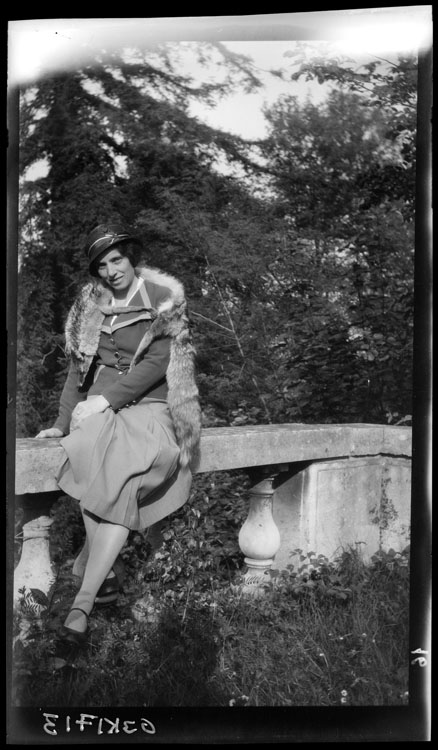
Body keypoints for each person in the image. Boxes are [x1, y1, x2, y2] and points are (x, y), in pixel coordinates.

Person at [35, 222, 202, 644]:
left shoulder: (163, 299)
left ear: (131, 257)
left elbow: (156, 363)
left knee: (125, 467)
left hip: (150, 405)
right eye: (101, 265)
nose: (111, 271)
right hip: (99, 406)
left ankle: (82, 595)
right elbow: (78, 369)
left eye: (117, 260)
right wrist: (60, 421)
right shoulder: (90, 305)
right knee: (92, 456)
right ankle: (94, 581)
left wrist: (106, 402)